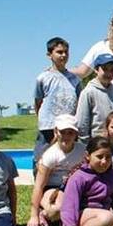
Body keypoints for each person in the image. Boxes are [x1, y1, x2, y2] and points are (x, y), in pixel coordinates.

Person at [27, 114, 85, 226]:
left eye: (70, 132)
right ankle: (42, 213)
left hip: (74, 187)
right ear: (56, 132)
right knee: (57, 209)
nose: (66, 136)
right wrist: (33, 215)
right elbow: (39, 186)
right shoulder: (50, 155)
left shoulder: (82, 150)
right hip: (52, 188)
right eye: (63, 132)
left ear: (76, 134)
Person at [33, 36, 82, 165]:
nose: (63, 55)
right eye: (59, 52)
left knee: (66, 160)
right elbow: (38, 102)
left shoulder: (75, 79)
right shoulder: (43, 77)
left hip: (68, 126)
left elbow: (78, 103)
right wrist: (43, 119)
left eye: (66, 52)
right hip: (48, 126)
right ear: (49, 54)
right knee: (42, 159)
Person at [75, 54, 113, 143]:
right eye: (105, 69)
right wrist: (86, 145)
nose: (109, 73)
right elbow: (82, 123)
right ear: (96, 70)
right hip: (97, 144)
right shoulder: (88, 92)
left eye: (112, 70)